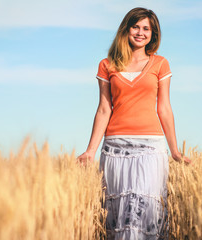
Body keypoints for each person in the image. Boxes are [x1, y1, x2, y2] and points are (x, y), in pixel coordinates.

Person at [78, 7, 191, 240]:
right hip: (114, 148)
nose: (140, 33)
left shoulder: (160, 64)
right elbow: (103, 109)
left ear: (153, 34)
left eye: (146, 28)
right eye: (136, 27)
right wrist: (90, 151)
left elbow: (164, 108)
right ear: (126, 29)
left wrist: (176, 151)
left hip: (151, 147)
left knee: (145, 212)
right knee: (118, 215)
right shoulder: (107, 64)